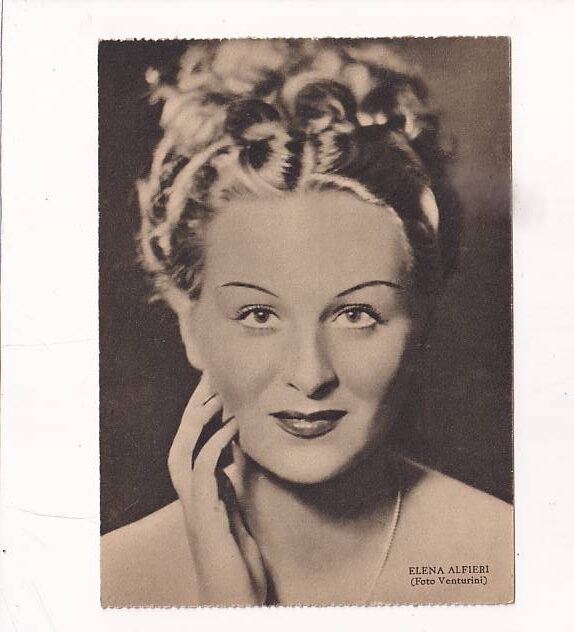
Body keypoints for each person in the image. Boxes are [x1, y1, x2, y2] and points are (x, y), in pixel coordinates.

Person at [101, 39, 513, 607]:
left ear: (421, 319)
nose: (310, 374)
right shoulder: (105, 580)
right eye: (259, 314)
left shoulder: (508, 559)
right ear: (189, 325)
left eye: (356, 314)